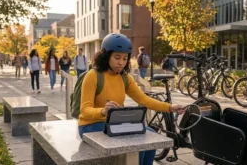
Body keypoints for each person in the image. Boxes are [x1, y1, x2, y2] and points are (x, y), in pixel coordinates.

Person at [78, 33, 185, 165]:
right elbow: (84, 111)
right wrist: (103, 111)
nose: (121, 62)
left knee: (151, 136)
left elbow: (144, 100)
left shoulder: (124, 77)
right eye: (117, 57)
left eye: (125, 58)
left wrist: (170, 107)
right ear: (106, 56)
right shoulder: (93, 76)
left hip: (114, 124)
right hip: (90, 126)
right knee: (136, 140)